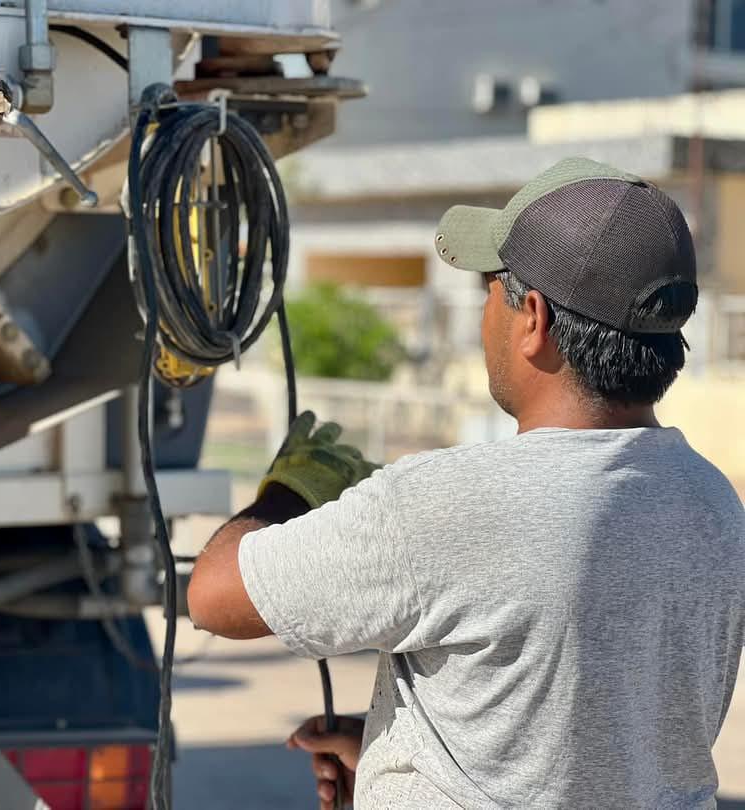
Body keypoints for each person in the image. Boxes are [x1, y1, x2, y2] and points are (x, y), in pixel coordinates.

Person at [186, 157, 745, 809]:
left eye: (488, 287)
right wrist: (400, 752)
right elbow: (600, 742)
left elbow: (214, 595)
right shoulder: (713, 503)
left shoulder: (448, 503)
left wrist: (288, 493)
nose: (483, 314)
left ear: (532, 318)